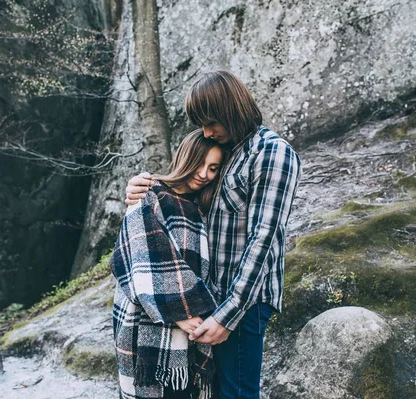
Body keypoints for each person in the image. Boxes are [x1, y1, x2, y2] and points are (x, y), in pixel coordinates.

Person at [125, 70, 301, 399]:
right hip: (212, 301)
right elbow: (186, 202)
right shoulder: (229, 154)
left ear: (230, 110)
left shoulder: (273, 153)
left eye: (210, 121)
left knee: (237, 394)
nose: (206, 131)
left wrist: (227, 316)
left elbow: (264, 240)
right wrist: (144, 188)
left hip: (243, 304)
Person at [111, 129, 227, 399]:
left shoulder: (202, 208)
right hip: (146, 320)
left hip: (192, 326)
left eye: (213, 168)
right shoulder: (151, 193)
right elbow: (141, 256)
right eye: (200, 163)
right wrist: (181, 312)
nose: (204, 174)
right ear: (185, 157)